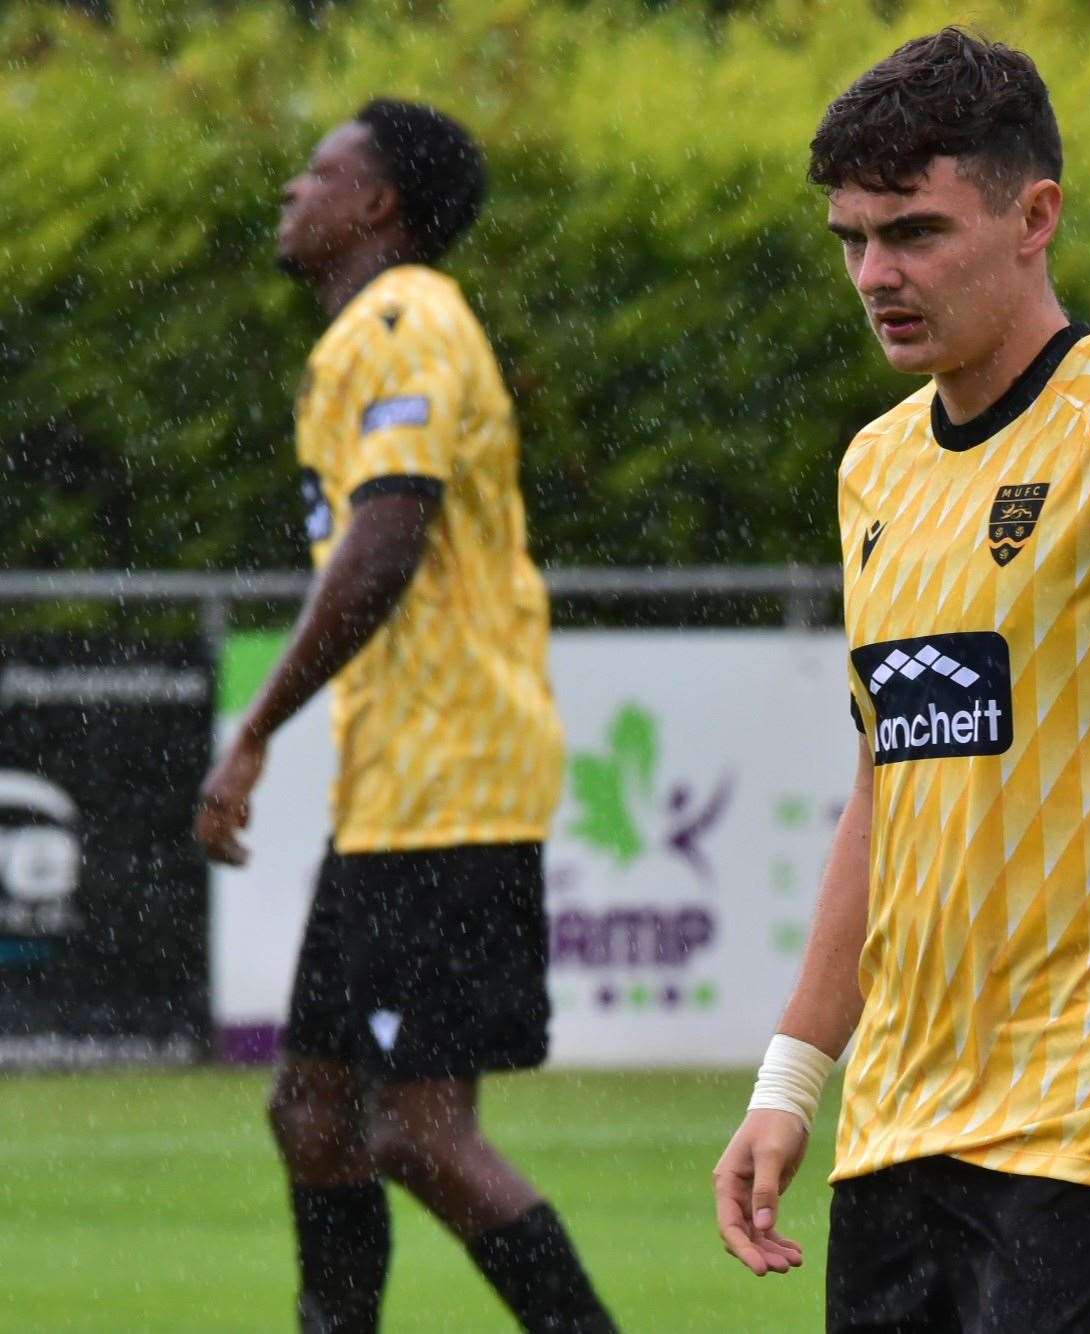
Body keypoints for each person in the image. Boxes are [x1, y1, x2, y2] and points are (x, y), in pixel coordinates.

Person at [712, 28, 1090, 1333]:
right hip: (897, 1129)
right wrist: (790, 1079)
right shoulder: (874, 470)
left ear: (1034, 214)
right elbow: (891, 787)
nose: (876, 273)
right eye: (851, 239)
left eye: (916, 233)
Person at [194, 98, 617, 1334]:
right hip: (403, 787)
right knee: (315, 1114)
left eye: (319, 171)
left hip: (454, 780)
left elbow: (384, 542)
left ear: (378, 205)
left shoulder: (406, 318)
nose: (292, 188)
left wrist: (259, 724)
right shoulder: (361, 338)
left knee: (419, 1130)